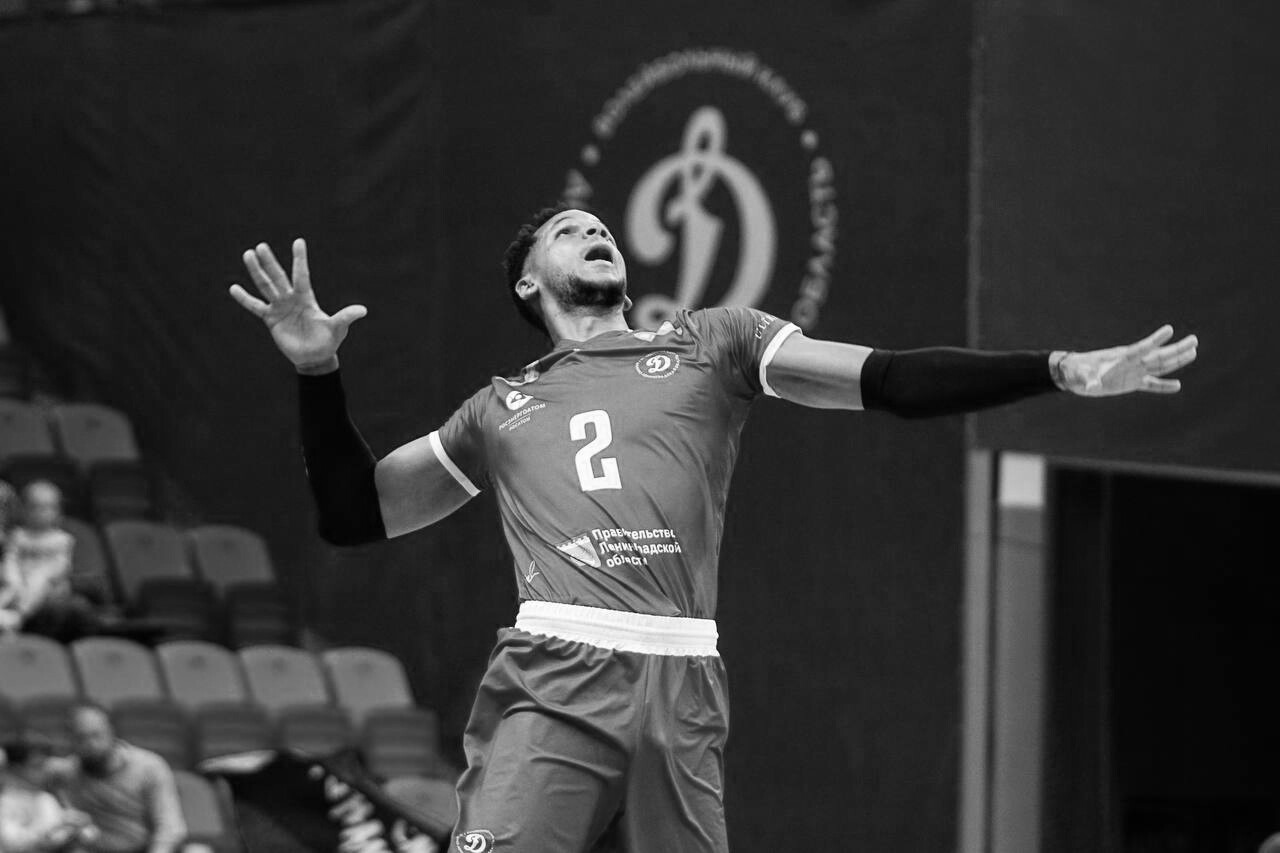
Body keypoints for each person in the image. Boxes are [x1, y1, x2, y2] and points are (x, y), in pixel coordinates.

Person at [229, 205, 1198, 853]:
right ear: (528, 283)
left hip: (683, 679)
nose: (595, 232)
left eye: (601, 227)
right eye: (568, 231)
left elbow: (891, 380)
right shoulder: (497, 408)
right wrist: (316, 371)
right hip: (556, 670)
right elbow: (354, 514)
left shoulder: (711, 342)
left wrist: (1056, 369)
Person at [47, 704, 186, 853]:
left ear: (112, 732)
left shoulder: (149, 767)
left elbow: (170, 827)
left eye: (96, 735)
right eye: (81, 738)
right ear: (70, 741)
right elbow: (33, 770)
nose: (91, 744)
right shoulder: (66, 771)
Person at [0, 481, 95, 642]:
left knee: (39, 579)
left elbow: (60, 566)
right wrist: (13, 577)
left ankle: (19, 616)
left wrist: (41, 575)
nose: (41, 513)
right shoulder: (18, 536)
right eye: (35, 507)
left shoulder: (61, 539)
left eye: (48, 508)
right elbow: (10, 559)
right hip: (17, 584)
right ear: (23, 509)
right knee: (11, 582)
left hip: (47, 588)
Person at [0, 737, 98, 852]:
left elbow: (89, 835)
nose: (44, 771)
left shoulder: (46, 798)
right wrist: (49, 832)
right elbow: (11, 842)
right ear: (16, 769)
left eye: (43, 765)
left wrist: (78, 827)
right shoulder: (5, 802)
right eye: (36, 766)